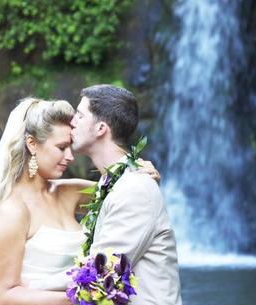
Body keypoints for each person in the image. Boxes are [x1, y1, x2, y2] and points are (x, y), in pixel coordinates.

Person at [0, 97, 160, 305]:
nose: (70, 156)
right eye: (61, 147)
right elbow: (4, 296)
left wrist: (141, 172)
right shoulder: (12, 211)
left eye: (71, 147)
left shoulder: (70, 191)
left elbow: (126, 193)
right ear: (32, 144)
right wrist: (82, 299)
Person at [70, 84, 182, 305]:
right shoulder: (113, 183)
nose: (72, 122)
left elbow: (100, 281)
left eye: (80, 116)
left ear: (100, 128)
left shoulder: (134, 189)